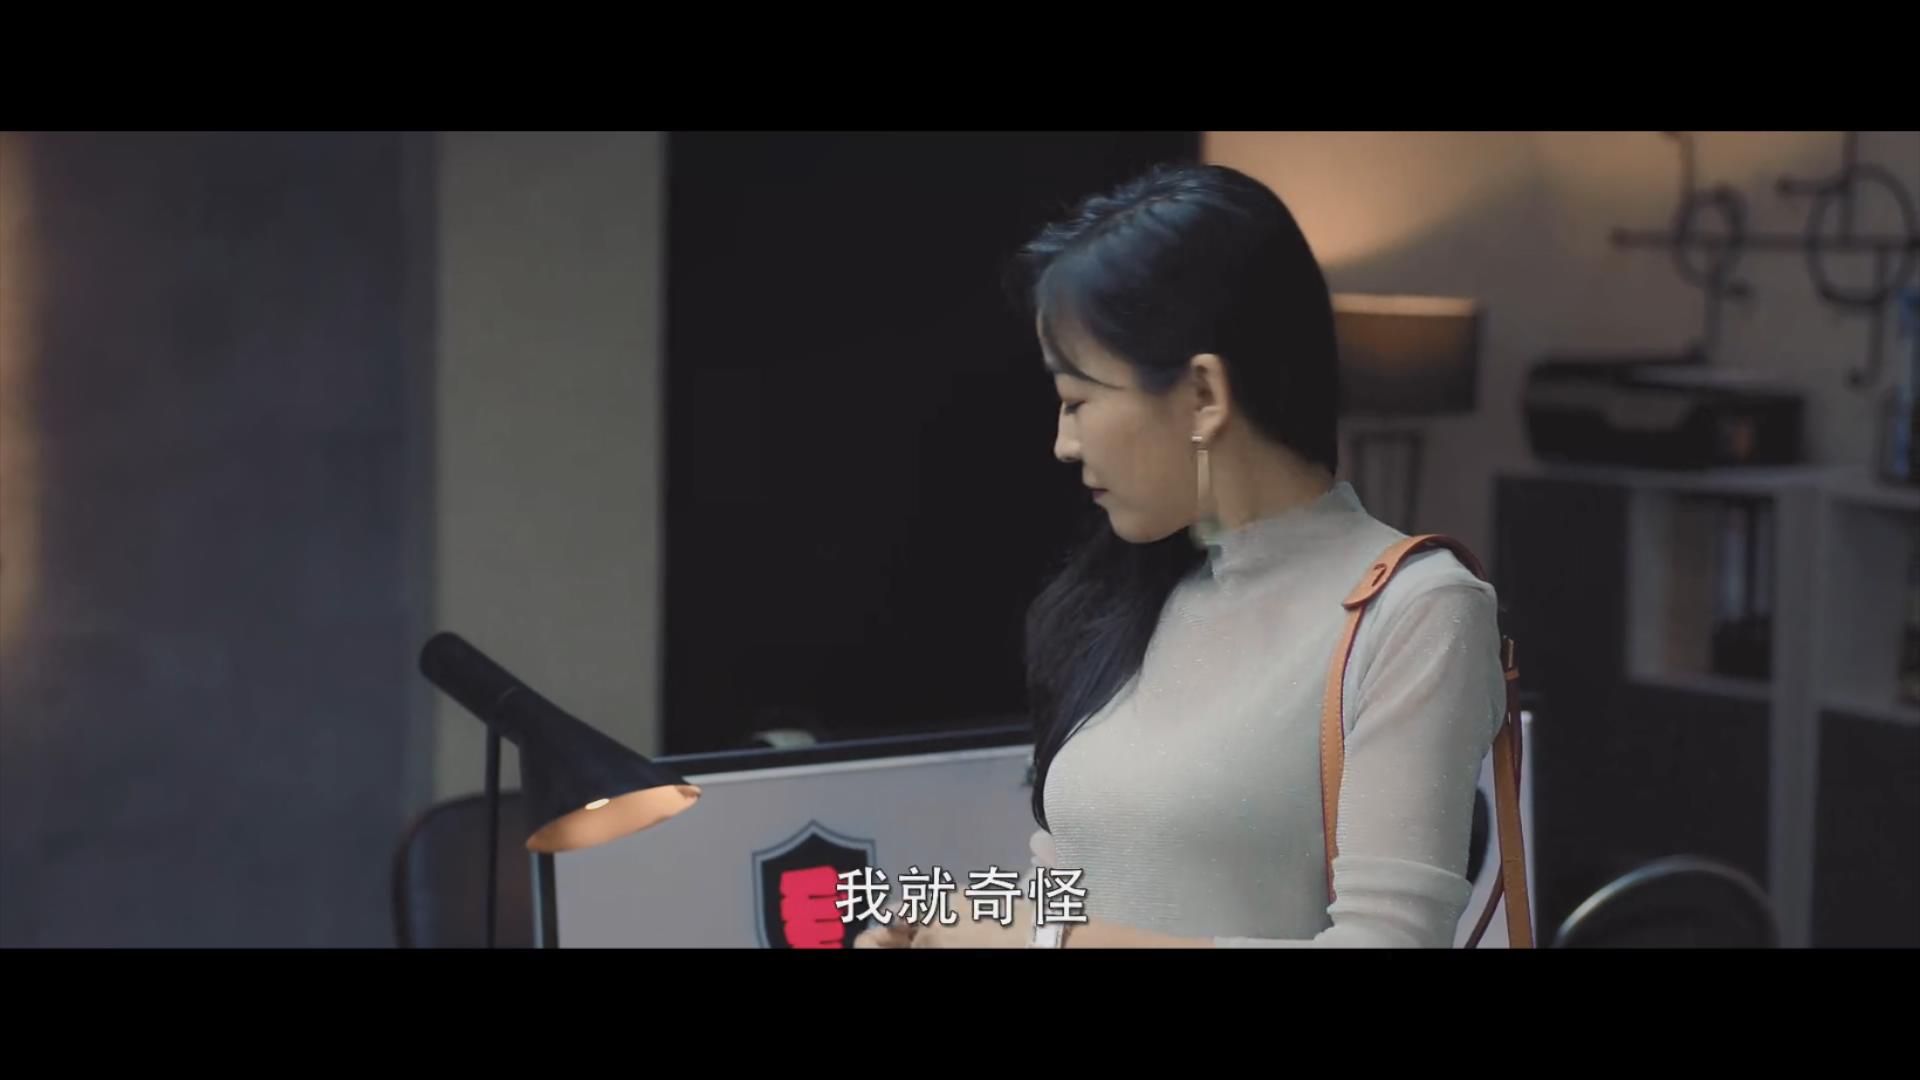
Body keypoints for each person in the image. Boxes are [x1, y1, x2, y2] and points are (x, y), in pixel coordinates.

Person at [856, 162, 1507, 948]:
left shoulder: (1417, 610)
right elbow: (1070, 896)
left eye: (1077, 400)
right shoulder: (1123, 600)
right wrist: (941, 931)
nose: (1064, 444)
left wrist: (1038, 943)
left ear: (1204, 395)